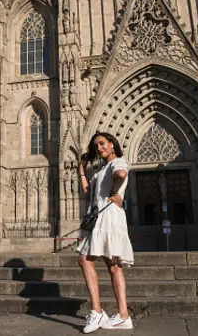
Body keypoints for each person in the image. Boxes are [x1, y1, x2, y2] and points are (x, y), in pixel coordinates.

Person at [77, 132, 134, 333]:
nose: (99, 148)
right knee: (113, 267)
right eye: (96, 146)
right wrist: (82, 172)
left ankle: (98, 311)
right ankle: (122, 315)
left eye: (102, 144)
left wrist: (115, 191)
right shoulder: (101, 170)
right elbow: (87, 191)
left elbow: (121, 174)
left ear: (112, 144)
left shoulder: (118, 162)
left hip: (108, 218)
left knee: (86, 259)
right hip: (102, 218)